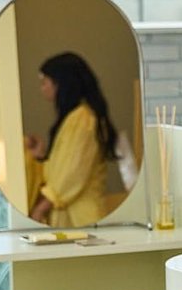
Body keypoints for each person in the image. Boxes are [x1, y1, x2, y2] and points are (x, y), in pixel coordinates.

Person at [25, 52, 119, 226]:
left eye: (45, 82)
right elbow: (63, 169)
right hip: (73, 218)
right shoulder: (76, 118)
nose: (42, 88)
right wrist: (40, 157)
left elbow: (71, 175)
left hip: (82, 219)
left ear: (61, 84)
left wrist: (40, 209)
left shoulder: (84, 120)